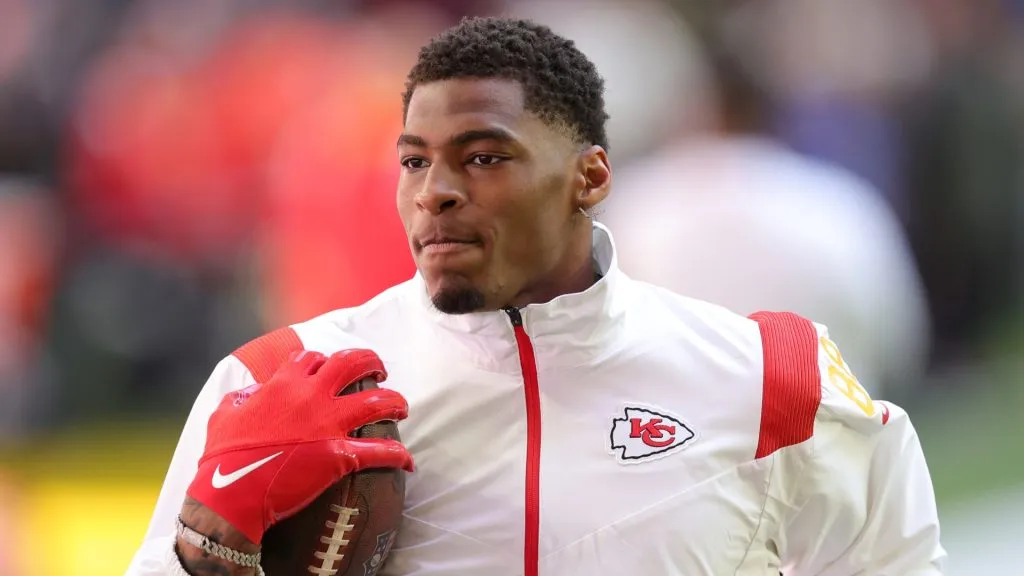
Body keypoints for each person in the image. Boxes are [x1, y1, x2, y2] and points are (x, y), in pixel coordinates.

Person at [128, 17, 946, 576]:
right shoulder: (276, 383)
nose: (435, 191)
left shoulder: (774, 377)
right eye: (414, 161)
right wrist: (207, 549)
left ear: (589, 176)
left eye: (483, 157)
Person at [601, 27, 932, 399]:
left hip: (673, 424)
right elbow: (898, 341)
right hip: (827, 419)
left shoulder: (635, 206)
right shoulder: (837, 200)